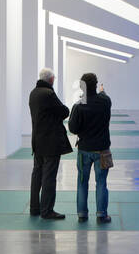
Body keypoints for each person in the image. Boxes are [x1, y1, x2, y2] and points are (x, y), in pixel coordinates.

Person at [67, 72, 112, 224]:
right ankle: (101, 215)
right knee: (101, 183)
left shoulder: (78, 106)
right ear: (96, 85)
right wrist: (102, 91)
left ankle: (82, 214)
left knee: (82, 182)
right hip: (102, 150)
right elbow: (104, 96)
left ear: (81, 87)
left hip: (84, 150)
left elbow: (72, 129)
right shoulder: (105, 102)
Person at [28, 67, 72, 220]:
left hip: (37, 141)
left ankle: (34, 208)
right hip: (51, 143)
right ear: (51, 80)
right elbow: (64, 111)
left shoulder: (33, 93)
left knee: (37, 175)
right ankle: (47, 211)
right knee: (49, 177)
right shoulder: (48, 94)